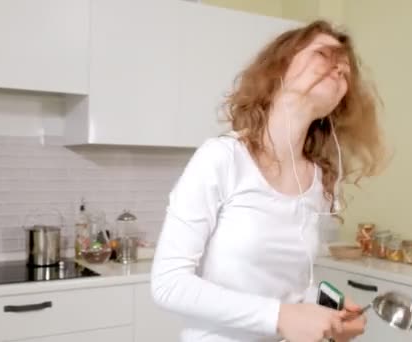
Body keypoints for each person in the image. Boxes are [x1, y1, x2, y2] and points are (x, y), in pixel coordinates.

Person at [151, 19, 386, 342]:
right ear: (278, 70)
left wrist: (326, 308)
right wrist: (281, 317)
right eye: (323, 54)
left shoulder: (318, 181)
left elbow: (289, 289)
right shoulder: (223, 157)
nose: (339, 67)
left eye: (344, 68)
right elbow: (169, 283)